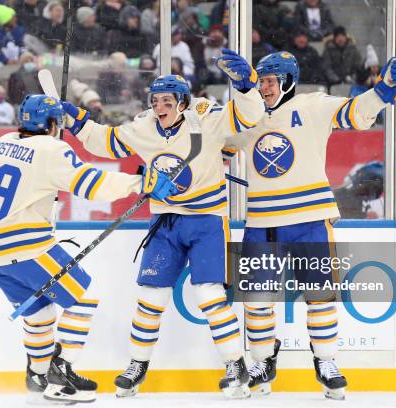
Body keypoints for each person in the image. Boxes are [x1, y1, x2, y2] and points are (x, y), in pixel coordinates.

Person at [62, 49, 264, 399]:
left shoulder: (208, 116)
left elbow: (249, 117)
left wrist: (246, 88)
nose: (159, 107)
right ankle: (137, 364)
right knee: (149, 297)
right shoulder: (143, 125)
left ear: (183, 102)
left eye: (167, 101)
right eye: (155, 100)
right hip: (166, 223)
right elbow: (109, 143)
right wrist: (77, 122)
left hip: (206, 221)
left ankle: (236, 364)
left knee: (209, 295)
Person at [0, 93, 178, 404]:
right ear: (51, 124)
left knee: (39, 312)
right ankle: (59, 371)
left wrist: (38, 188)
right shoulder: (52, 149)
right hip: (24, 244)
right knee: (83, 297)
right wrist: (139, 183)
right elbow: (91, 184)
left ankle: (38, 374)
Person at [224, 51, 396, 400]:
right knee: (257, 301)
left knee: (321, 298)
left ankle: (326, 362)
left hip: (311, 219)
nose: (263, 88)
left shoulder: (313, 105)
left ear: (288, 81)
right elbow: (213, 151)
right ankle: (263, 361)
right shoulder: (244, 115)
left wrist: (383, 91)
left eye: (269, 81)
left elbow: (355, 112)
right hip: (262, 222)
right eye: (259, 81)